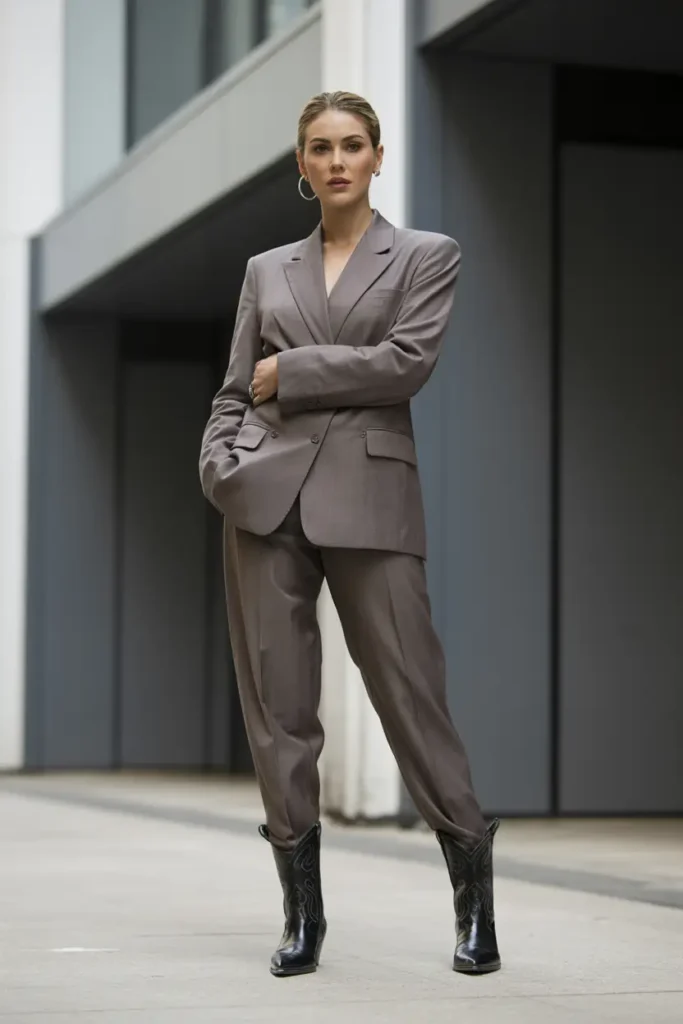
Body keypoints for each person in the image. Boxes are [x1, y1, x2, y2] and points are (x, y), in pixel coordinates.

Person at [199, 91, 501, 979]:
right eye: (319, 148)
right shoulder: (265, 270)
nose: (336, 161)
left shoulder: (424, 257)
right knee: (278, 712)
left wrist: (288, 371)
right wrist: (220, 460)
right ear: (301, 166)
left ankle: (473, 904)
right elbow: (231, 386)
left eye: (352, 146)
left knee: (411, 696)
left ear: (377, 157)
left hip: (370, 499)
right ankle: (302, 917)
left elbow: (404, 365)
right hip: (262, 502)